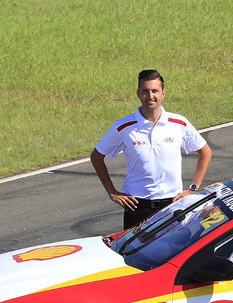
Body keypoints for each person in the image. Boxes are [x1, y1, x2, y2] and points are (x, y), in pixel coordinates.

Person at [91, 69, 213, 229]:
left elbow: (205, 152)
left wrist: (193, 189)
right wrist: (112, 192)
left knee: (175, 252)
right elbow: (96, 157)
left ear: (163, 93)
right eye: (145, 91)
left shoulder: (179, 123)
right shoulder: (123, 127)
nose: (150, 96)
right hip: (137, 207)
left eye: (154, 91)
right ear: (138, 93)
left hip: (173, 205)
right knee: (134, 253)